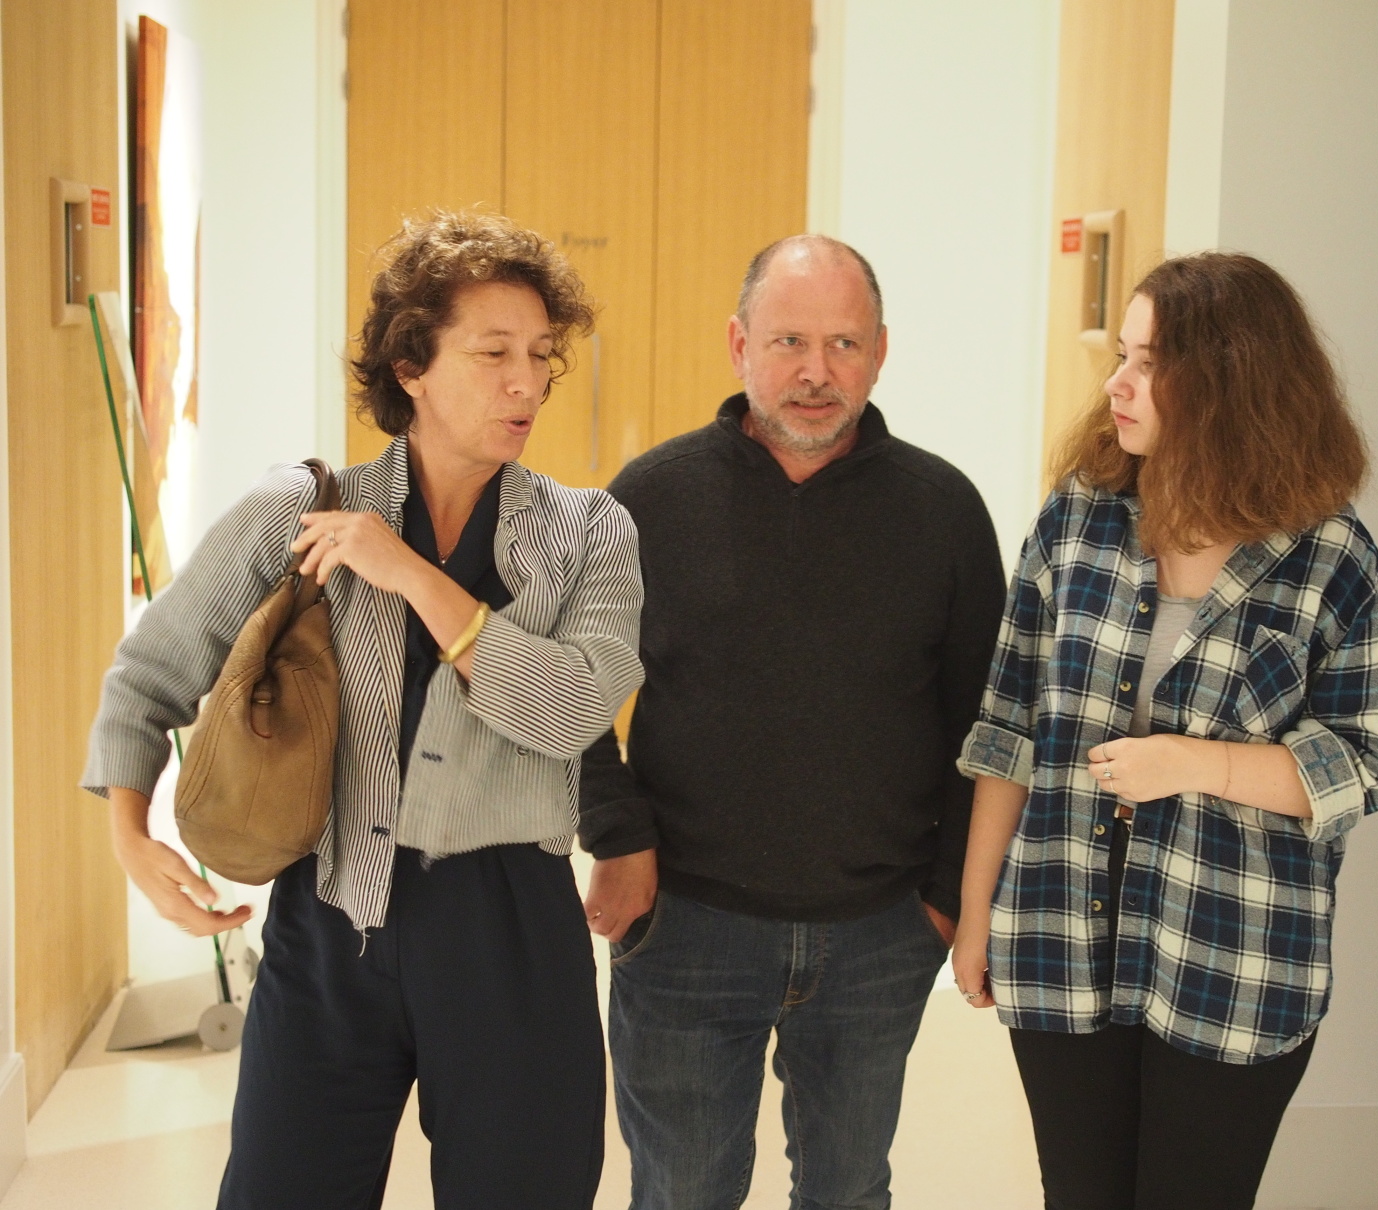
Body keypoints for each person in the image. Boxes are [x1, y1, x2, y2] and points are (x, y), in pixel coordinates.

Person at [82, 211, 643, 1210]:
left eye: (539, 355)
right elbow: (149, 672)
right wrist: (131, 835)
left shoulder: (590, 531)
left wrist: (411, 575)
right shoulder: (299, 509)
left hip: (514, 939)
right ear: (409, 365)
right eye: (493, 354)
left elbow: (572, 711)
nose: (526, 383)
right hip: (328, 930)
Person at [952, 252, 1378, 1210]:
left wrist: (1193, 764)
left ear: (1229, 383)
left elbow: (1363, 765)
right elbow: (1007, 727)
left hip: (1232, 958)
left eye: (1148, 362)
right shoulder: (1077, 520)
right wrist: (974, 913)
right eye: (1121, 356)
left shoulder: (1330, 561)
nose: (1116, 384)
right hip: (1060, 933)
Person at [579, 234, 1006, 1210]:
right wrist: (616, 834)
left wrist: (945, 901)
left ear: (880, 353)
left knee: (847, 1192)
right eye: (788, 342)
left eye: (844, 344)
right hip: (685, 927)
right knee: (682, 1193)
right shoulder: (648, 499)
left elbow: (984, 723)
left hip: (878, 934)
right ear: (738, 345)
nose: (817, 371)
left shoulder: (942, 512)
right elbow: (570, 691)